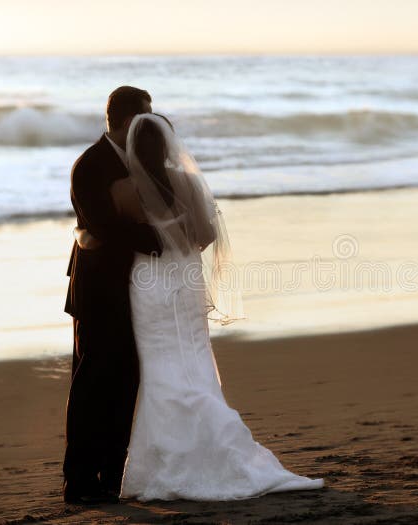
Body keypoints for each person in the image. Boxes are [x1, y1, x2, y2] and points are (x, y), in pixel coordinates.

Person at [74, 110, 325, 501]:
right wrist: (179, 239)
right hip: (187, 282)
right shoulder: (189, 182)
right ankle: (214, 436)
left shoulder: (124, 188)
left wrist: (149, 238)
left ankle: (161, 463)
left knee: (158, 368)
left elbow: (103, 232)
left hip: (148, 286)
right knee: (192, 357)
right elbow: (207, 234)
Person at [62, 86, 161, 504]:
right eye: (142, 118)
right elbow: (103, 227)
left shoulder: (142, 161)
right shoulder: (89, 165)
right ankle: (78, 480)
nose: (149, 125)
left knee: (125, 385)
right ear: (121, 121)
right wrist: (157, 238)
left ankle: (110, 476)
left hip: (134, 292)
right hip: (97, 291)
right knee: (92, 385)